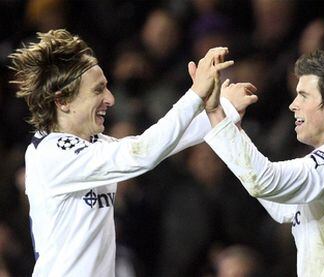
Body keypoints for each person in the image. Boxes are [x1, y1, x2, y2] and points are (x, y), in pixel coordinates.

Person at [8, 29, 257, 276]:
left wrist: (222, 108)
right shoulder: (53, 155)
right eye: (98, 90)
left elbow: (161, 144)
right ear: (62, 101)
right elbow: (142, 153)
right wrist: (195, 95)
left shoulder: (93, 145)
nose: (110, 98)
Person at [204, 48, 324, 276]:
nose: (293, 104)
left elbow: (264, 181)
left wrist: (218, 114)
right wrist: (230, 127)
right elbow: (280, 205)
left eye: (303, 95)